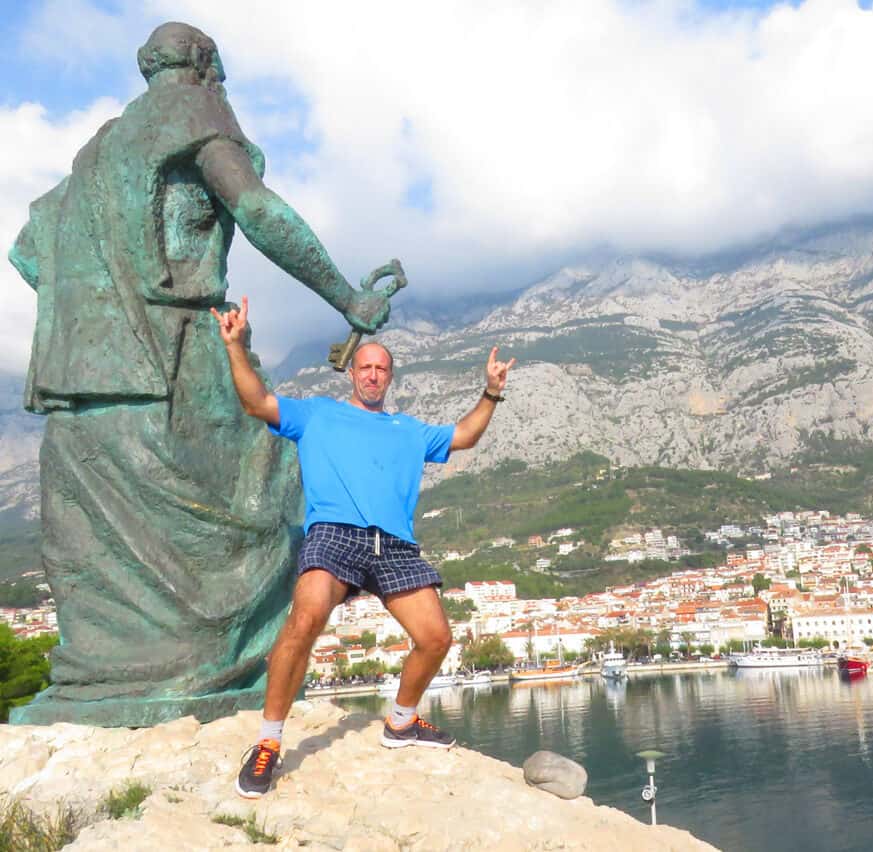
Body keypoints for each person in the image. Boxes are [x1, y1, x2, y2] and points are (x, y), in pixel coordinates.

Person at [7, 21, 391, 726]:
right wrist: (347, 297)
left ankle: (113, 684)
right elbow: (258, 210)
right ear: (206, 68)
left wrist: (103, 314)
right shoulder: (197, 111)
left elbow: (28, 254)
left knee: (104, 535)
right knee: (272, 483)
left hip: (84, 370)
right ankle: (225, 668)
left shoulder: (98, 152)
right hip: (178, 347)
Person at [213, 297, 514, 798]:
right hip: (335, 533)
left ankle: (401, 722)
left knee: (436, 637)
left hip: (394, 544)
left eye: (382, 369)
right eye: (366, 368)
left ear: (390, 378)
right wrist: (235, 347)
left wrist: (490, 393)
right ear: (352, 373)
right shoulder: (318, 415)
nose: (373, 376)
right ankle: (268, 743)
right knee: (305, 619)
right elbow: (256, 402)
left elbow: (464, 436)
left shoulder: (410, 430)